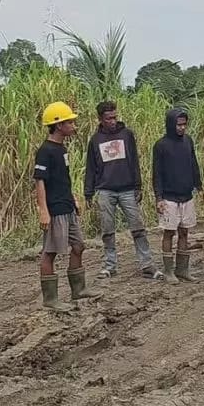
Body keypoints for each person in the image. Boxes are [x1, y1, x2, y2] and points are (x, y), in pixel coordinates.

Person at [34, 102, 103, 312]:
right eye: (70, 122)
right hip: (55, 209)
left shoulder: (61, 148)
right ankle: (50, 299)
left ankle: (78, 289)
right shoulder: (45, 151)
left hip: (67, 206)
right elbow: (40, 181)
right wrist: (44, 210)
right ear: (58, 125)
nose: (74, 125)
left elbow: (62, 178)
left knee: (79, 246)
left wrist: (72, 197)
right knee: (51, 252)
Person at [84, 101, 154, 279]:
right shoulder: (95, 140)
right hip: (105, 190)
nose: (113, 121)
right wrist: (88, 192)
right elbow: (91, 167)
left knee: (137, 227)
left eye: (115, 117)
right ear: (100, 119)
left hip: (127, 189)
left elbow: (134, 162)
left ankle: (146, 263)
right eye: (108, 118)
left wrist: (138, 186)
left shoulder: (126, 135)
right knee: (107, 230)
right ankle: (109, 265)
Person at [152, 107, 202, 284]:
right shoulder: (161, 145)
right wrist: (158, 198)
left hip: (186, 195)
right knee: (168, 233)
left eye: (184, 124)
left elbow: (193, 163)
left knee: (184, 232)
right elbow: (156, 173)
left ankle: (183, 269)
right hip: (169, 197)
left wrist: (199, 185)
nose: (182, 128)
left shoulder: (188, 141)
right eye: (179, 124)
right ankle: (168, 271)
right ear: (171, 124)